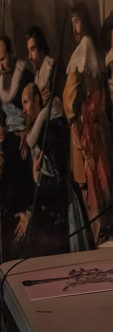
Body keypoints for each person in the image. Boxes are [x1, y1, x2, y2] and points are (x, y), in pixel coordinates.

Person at [16, 83, 92, 256]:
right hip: (48, 209)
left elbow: (60, 182)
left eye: (26, 102)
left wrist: (38, 179)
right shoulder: (37, 131)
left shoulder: (50, 131)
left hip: (60, 213)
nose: (24, 110)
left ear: (37, 100)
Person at [63, 1, 113, 244]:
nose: (74, 26)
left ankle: (101, 236)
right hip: (90, 132)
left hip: (88, 132)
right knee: (96, 185)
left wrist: (77, 125)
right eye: (72, 22)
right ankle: (100, 236)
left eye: (77, 21)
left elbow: (70, 100)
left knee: (95, 185)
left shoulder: (83, 51)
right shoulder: (88, 51)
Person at [0, 35, 35, 261]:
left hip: (25, 140)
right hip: (7, 143)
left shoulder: (25, 75)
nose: (0, 65)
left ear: (11, 54)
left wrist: (26, 129)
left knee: (26, 179)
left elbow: (35, 108)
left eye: (2, 58)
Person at [26, 26, 55, 106]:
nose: (29, 57)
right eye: (28, 51)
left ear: (41, 48)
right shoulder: (37, 73)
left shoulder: (52, 68)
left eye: (33, 49)